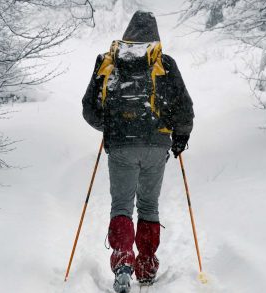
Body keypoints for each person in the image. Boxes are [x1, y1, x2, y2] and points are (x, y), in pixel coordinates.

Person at [82, 10, 194, 293]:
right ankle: (145, 265)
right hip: (157, 145)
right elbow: (184, 108)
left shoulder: (109, 62)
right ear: (155, 36)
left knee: (121, 206)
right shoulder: (164, 63)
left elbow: (89, 108)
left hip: (121, 146)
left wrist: (109, 127)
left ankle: (122, 263)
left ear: (128, 33)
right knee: (148, 206)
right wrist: (180, 138)